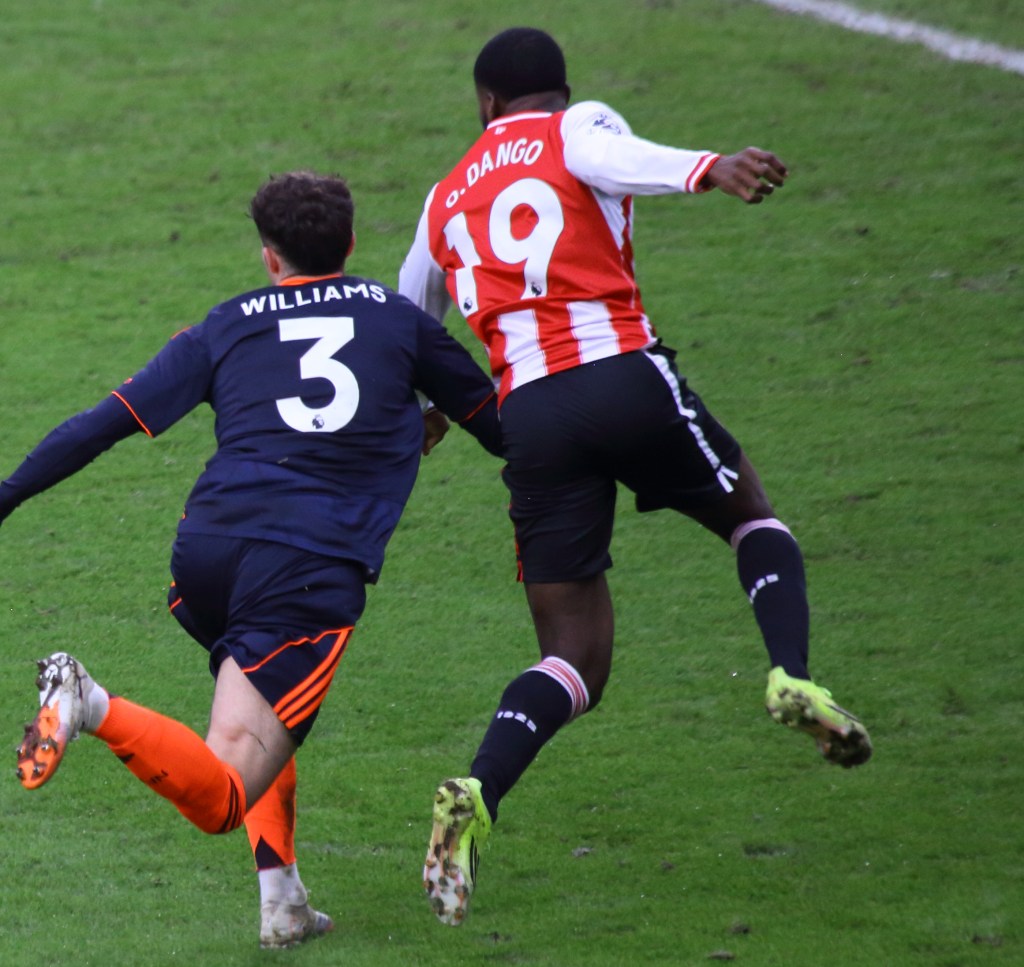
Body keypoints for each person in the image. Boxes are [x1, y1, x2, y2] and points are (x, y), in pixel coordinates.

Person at [398, 27, 873, 927]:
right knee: (751, 518)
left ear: (485, 104)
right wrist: (712, 168)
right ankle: (789, 674)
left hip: (529, 417)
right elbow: (618, 158)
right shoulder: (575, 125)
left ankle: (479, 791)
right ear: (551, 93)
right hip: (622, 377)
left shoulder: (441, 199)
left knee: (574, 656)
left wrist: (433, 411)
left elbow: (409, 320)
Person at [2, 171, 501, 948]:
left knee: (261, 696)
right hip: (304, 571)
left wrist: (4, 497)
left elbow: (99, 425)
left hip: (204, 556)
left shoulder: (229, 322)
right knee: (227, 789)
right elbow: (500, 426)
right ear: (352, 243)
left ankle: (283, 899)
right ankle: (87, 702)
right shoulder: (400, 321)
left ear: (271, 257)